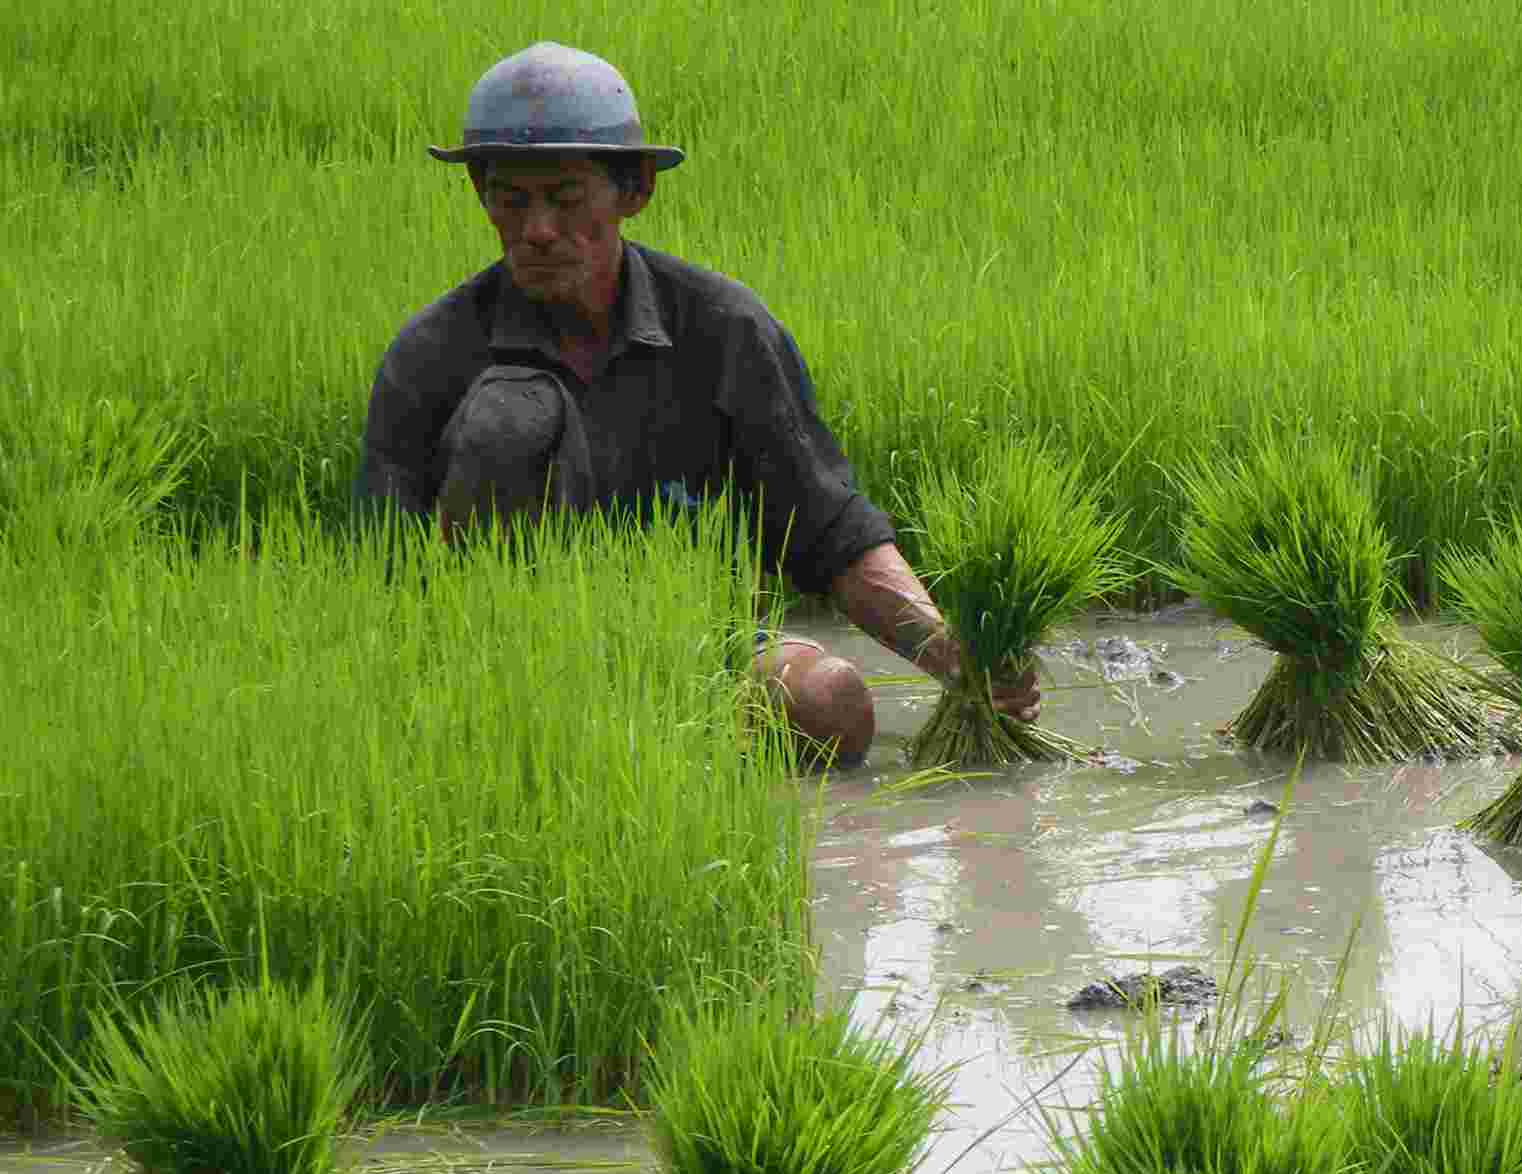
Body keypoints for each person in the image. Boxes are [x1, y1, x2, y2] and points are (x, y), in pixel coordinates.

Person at [355, 41, 1037, 764]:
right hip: (512, 663)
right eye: (511, 199)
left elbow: (830, 530)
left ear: (634, 190)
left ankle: (679, 786)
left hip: (703, 648)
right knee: (509, 416)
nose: (537, 230)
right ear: (481, 197)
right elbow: (389, 580)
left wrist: (958, 658)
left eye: (565, 197)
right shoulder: (433, 355)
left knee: (829, 701)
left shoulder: (722, 329)